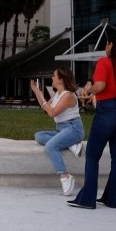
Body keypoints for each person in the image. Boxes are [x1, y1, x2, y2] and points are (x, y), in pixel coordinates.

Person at [68, 31, 116, 210]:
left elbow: (101, 86)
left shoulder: (104, 62)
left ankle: (87, 200)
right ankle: (112, 199)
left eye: (107, 44)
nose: (106, 47)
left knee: (92, 156)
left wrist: (88, 89)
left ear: (112, 45)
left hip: (108, 111)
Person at [30, 68, 85, 196]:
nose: (52, 78)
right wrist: (37, 92)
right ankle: (71, 144)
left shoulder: (68, 95)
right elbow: (46, 108)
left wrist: (42, 97)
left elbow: (52, 113)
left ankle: (65, 176)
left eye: (54, 76)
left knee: (50, 146)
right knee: (39, 136)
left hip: (73, 129)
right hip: (62, 129)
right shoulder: (58, 94)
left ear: (61, 79)